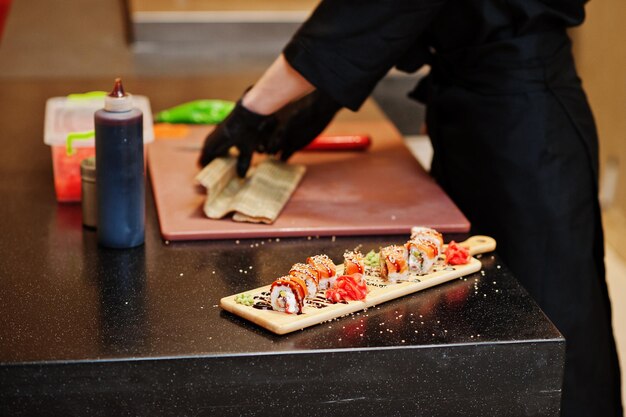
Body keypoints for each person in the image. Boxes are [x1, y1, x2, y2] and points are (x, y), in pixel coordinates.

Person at [199, 1, 623, 415]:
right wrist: (318, 102)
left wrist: (254, 108)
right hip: (476, 118)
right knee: (469, 309)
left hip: (530, 130)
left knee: (549, 321)